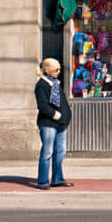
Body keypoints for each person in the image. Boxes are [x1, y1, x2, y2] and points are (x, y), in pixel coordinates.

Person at [33, 58, 73, 189]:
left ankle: (57, 178)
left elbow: (61, 102)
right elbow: (43, 106)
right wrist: (57, 115)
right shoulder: (41, 85)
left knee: (60, 151)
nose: (59, 72)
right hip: (48, 123)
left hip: (61, 123)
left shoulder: (55, 83)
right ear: (47, 70)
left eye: (59, 69)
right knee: (47, 152)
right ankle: (43, 181)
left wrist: (66, 117)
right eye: (56, 69)